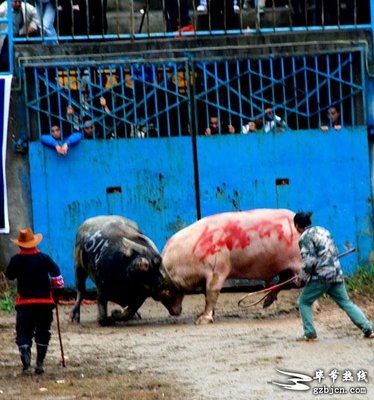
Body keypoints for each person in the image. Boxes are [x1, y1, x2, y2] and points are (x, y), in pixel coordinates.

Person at [293, 211, 374, 341]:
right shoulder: (323, 230)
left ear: (297, 226)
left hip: (321, 276)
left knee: (303, 301)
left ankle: (309, 333)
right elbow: (331, 251)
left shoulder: (305, 238)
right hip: (336, 272)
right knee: (346, 303)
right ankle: (368, 328)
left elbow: (309, 262)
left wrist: (300, 278)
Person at [5, 228, 64, 374]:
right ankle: (39, 364)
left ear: (20, 245)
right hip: (44, 303)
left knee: (23, 333)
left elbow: (9, 276)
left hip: (24, 304)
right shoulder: (44, 258)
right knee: (43, 331)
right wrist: (57, 293)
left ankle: (26, 366)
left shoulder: (15, 260)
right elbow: (57, 275)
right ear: (34, 243)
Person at [0, 0, 41, 71]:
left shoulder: (26, 7)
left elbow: (36, 15)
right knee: (5, 60)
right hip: (6, 38)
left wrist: (32, 26)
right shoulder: (3, 7)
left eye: (19, 2)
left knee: (23, 58)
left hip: (20, 36)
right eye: (15, 2)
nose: (18, 4)